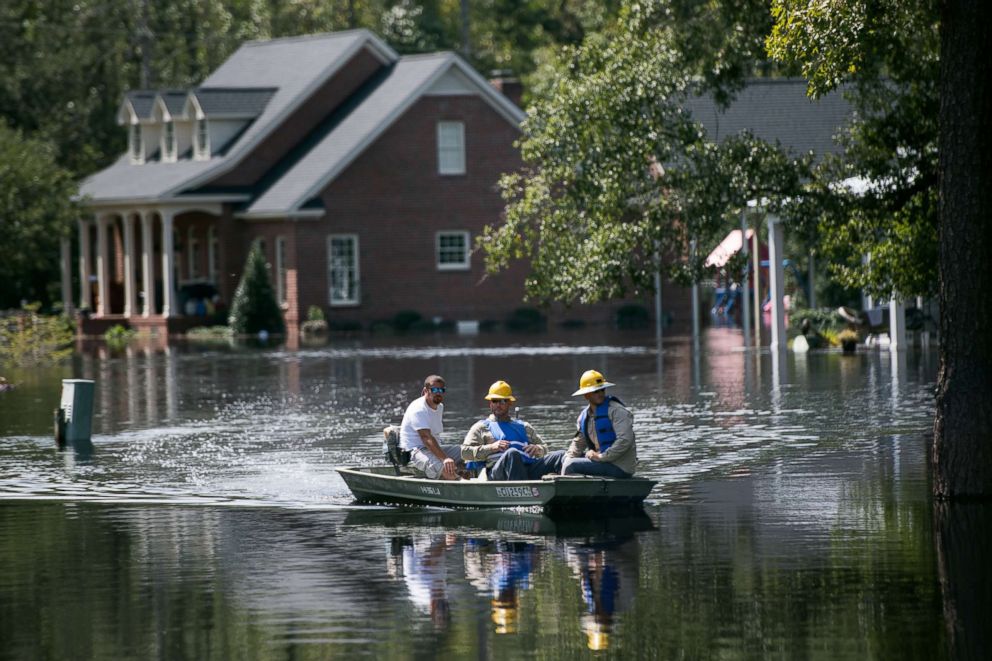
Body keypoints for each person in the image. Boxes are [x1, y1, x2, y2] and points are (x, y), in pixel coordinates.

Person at [462, 380, 564, 480]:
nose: (498, 404)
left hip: (527, 469)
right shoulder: (480, 427)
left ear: (510, 403)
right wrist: (491, 447)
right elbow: (465, 452)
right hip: (498, 472)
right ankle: (524, 491)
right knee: (512, 453)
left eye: (502, 401)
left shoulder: (524, 426)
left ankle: (567, 490)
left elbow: (545, 449)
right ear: (490, 403)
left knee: (560, 455)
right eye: (495, 401)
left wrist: (537, 449)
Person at [562, 370, 637, 478]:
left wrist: (601, 457)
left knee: (571, 465)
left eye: (602, 390)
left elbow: (625, 441)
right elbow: (578, 444)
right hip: (602, 461)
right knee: (563, 457)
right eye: (596, 391)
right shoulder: (583, 417)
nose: (601, 393)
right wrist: (567, 459)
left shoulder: (617, 411)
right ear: (586, 395)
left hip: (619, 467)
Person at [400, 375, 464, 480]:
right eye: (434, 389)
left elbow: (434, 436)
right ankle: (456, 480)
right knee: (446, 470)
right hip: (416, 451)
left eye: (441, 390)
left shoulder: (440, 407)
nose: (438, 392)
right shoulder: (418, 409)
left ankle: (465, 474)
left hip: (433, 448)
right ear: (426, 390)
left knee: (467, 452)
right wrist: (445, 459)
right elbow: (426, 438)